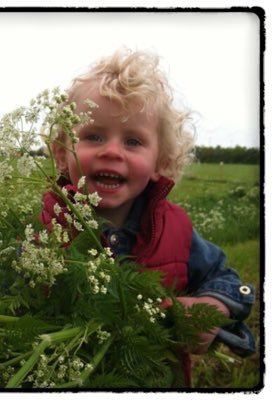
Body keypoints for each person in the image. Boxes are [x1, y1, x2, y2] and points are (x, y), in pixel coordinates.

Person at [39, 48, 255, 386]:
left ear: (161, 163)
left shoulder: (177, 230)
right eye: (93, 136)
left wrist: (212, 307)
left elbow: (224, 278)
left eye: (133, 141)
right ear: (61, 154)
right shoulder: (44, 228)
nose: (111, 151)